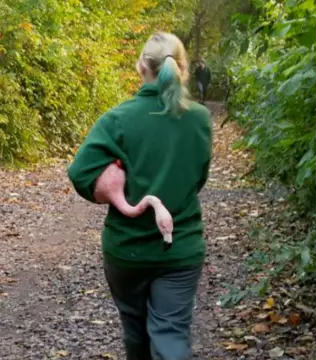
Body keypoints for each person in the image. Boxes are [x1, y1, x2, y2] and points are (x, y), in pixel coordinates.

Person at [67, 32, 212, 359]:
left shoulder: (117, 119)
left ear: (141, 67)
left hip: (127, 251)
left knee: (135, 331)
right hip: (181, 248)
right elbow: (197, 180)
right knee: (171, 335)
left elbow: (80, 173)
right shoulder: (200, 119)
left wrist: (115, 192)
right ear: (183, 69)